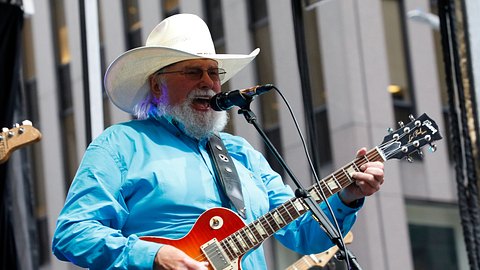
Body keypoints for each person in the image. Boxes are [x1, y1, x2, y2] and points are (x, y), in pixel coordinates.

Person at [52, 13, 384, 270]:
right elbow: (73, 233)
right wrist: (153, 256)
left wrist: (348, 196)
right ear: (157, 86)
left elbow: (304, 234)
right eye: (193, 72)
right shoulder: (121, 145)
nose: (210, 84)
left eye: (214, 73)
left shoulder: (243, 155)